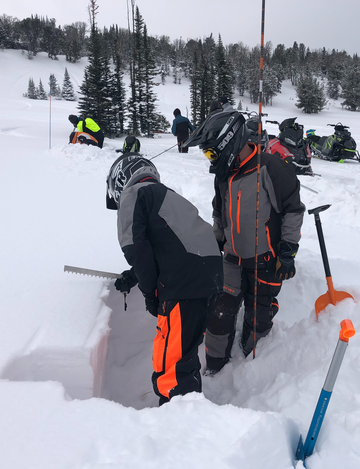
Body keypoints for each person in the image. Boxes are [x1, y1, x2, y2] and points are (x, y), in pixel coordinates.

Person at [183, 110, 305, 374]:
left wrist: (288, 250)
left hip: (266, 259)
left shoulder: (269, 167)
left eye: (211, 153)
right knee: (218, 314)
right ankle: (215, 369)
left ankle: (253, 369)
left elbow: (293, 210)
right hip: (232, 259)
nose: (210, 160)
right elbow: (219, 213)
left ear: (229, 142)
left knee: (258, 318)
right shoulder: (223, 175)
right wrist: (215, 244)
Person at [106, 154, 223, 404]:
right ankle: (190, 407)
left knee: (170, 363)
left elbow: (135, 247)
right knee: (184, 355)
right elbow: (169, 247)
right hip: (208, 277)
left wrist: (151, 293)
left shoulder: (133, 194)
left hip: (184, 285)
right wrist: (135, 276)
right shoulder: (167, 196)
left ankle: (177, 419)